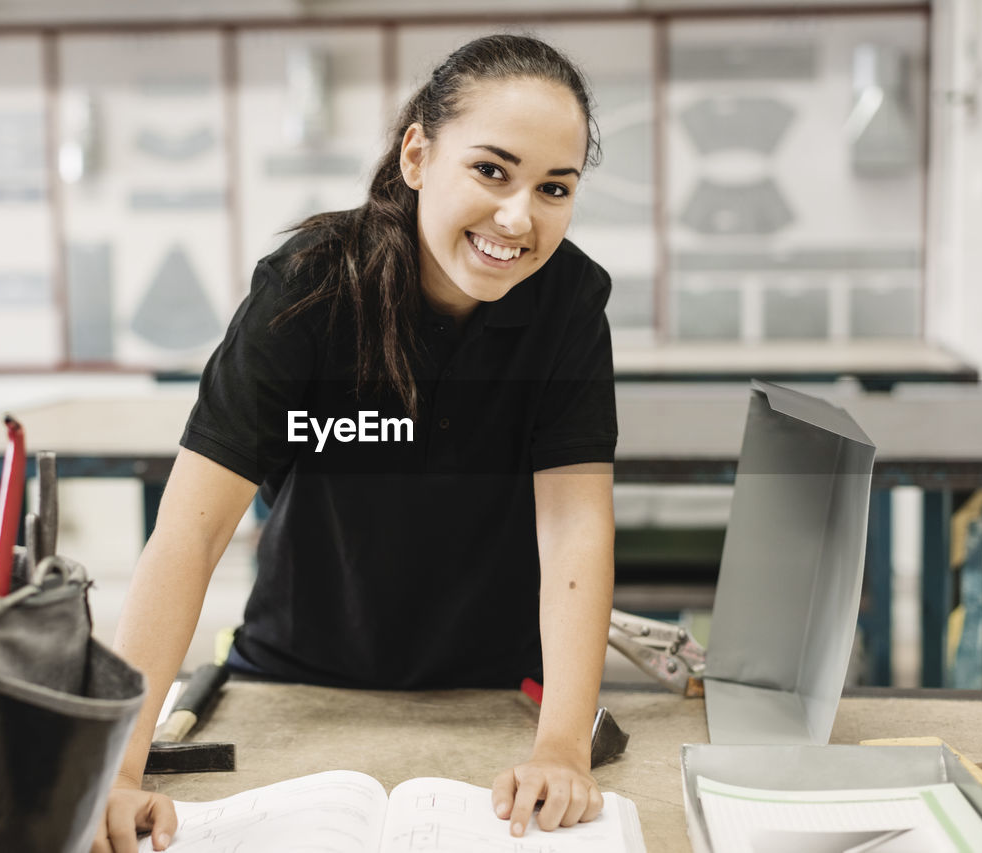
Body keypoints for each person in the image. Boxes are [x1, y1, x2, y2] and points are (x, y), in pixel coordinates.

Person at [93, 33, 617, 853]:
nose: (519, 216)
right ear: (417, 154)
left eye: (555, 187)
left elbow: (574, 525)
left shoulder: (568, 302)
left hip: (490, 691)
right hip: (295, 676)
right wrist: (118, 769)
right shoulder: (307, 288)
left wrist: (560, 745)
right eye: (491, 170)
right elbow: (190, 532)